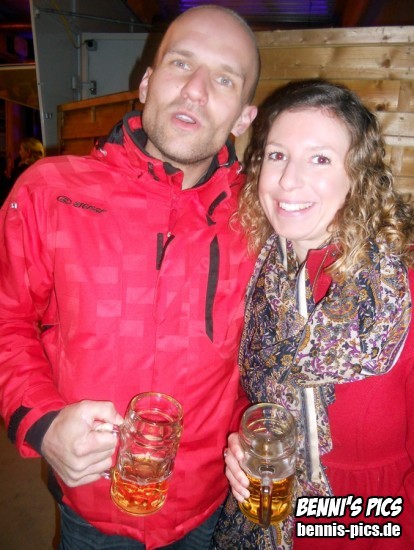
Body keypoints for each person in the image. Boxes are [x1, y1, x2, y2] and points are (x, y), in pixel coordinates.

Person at [0, 5, 259, 549]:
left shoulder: (259, 219)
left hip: (207, 507)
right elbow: (6, 319)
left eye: (224, 79)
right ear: (146, 82)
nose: (195, 90)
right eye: (181, 63)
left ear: (243, 116)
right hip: (92, 503)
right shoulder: (51, 191)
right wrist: (42, 424)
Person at [212, 79, 414, 549]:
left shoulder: (401, 290)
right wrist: (243, 441)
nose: (288, 180)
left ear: (357, 175)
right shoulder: (258, 272)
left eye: (319, 159)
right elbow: (250, 395)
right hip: (263, 522)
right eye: (277, 155)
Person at [0, 137, 44, 205]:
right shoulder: (19, 161)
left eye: (21, 149)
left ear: (28, 152)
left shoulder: (25, 169)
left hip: (17, 201)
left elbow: (13, 187)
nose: (19, 152)